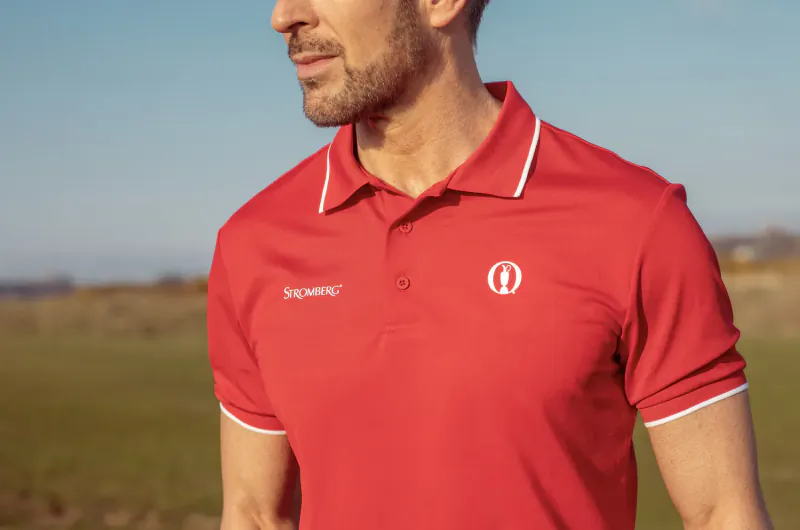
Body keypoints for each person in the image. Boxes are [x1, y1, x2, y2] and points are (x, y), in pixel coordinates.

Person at [206, 1, 774, 529]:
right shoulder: (253, 243)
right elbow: (254, 514)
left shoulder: (636, 222)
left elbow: (722, 512)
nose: (283, 16)